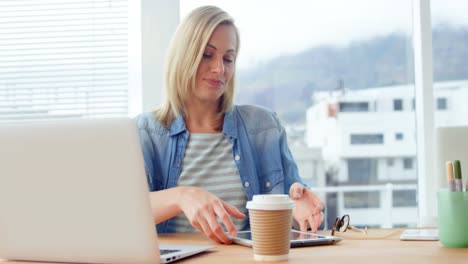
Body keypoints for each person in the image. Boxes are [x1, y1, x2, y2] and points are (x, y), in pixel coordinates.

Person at [135, 5, 324, 244]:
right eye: (207, 54)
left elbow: (303, 223)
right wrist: (182, 196)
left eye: (228, 58)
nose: (219, 69)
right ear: (183, 57)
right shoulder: (145, 133)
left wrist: (302, 209)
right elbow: (120, 214)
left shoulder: (264, 128)